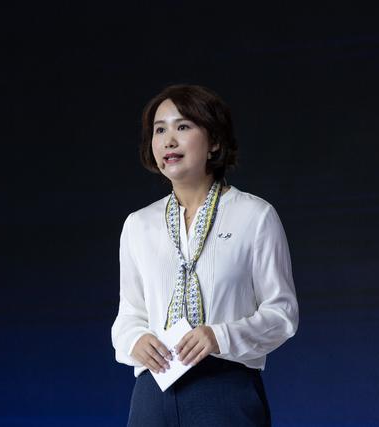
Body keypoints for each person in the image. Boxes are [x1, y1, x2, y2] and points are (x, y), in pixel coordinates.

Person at [111, 84, 299, 427]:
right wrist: (135, 339)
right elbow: (129, 315)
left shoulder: (254, 216)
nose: (168, 140)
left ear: (214, 141)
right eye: (159, 130)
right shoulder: (138, 224)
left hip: (225, 387)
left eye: (183, 126)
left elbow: (282, 314)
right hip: (153, 391)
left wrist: (219, 336)